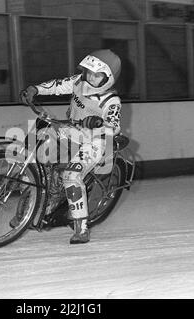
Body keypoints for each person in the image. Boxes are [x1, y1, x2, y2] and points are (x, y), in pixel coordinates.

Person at [20, 49, 122, 244]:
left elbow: (114, 128)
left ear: (109, 78)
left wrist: (98, 123)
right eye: (89, 71)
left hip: (95, 141)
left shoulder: (111, 101)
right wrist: (36, 89)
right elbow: (57, 86)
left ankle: (81, 227)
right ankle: (34, 198)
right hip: (72, 131)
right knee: (39, 139)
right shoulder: (79, 82)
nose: (91, 77)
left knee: (71, 175)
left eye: (98, 74)